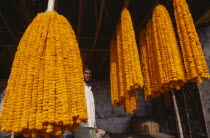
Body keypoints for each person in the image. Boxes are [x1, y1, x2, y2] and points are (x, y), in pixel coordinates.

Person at [74, 67, 97, 138]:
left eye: (89, 73)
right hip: (82, 124)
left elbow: (92, 108)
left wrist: (95, 124)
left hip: (91, 124)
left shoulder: (89, 88)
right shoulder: (78, 87)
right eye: (86, 73)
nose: (88, 75)